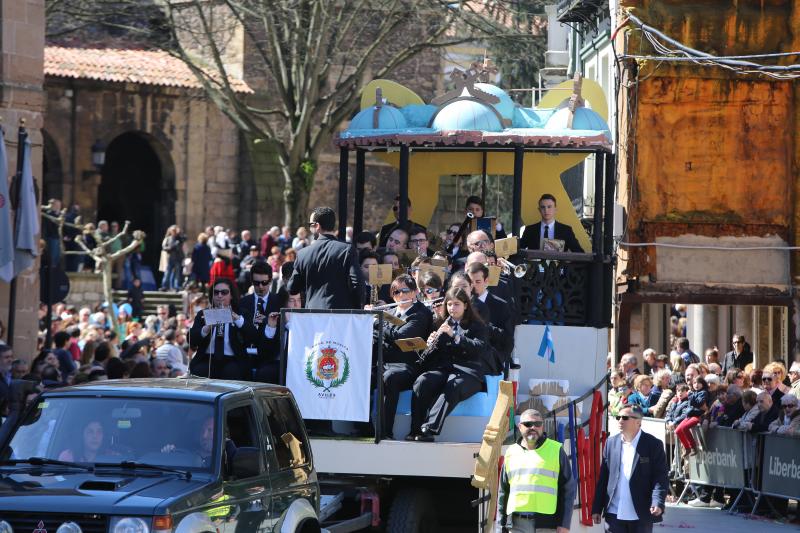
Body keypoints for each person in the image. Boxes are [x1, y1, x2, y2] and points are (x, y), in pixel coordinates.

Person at [408, 287, 490, 441]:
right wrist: (430, 344)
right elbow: (432, 358)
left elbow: (479, 349)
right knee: (422, 381)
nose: (452, 308)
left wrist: (456, 336)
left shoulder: (477, 325)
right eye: (449, 304)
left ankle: (429, 428)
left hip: (469, 372)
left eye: (457, 304)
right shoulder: (441, 323)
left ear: (466, 305)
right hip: (445, 369)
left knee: (453, 386)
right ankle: (415, 429)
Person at [370, 275, 432, 439]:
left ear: (414, 292)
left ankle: (385, 432)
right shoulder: (389, 312)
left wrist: (378, 321)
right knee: (364, 376)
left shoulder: (421, 313)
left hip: (408, 366)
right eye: (396, 292)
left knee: (390, 377)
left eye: (405, 291)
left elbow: (400, 337)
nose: (400, 295)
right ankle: (362, 428)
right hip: (384, 363)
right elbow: (378, 337)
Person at [496, 409, 575, 533]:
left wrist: (564, 524)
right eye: (528, 424)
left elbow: (568, 490)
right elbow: (503, 492)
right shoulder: (510, 453)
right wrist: (500, 525)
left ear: (542, 427)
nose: (533, 427)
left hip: (547, 525)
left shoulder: (556, 450)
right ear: (520, 427)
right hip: (516, 525)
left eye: (537, 424)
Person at [592, 405, 668, 533]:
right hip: (613, 514)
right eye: (618, 417)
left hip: (641, 514)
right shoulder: (611, 443)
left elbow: (660, 477)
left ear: (638, 422)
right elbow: (604, 478)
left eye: (625, 418)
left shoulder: (653, 444)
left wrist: (657, 502)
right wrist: (597, 508)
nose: (620, 421)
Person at [287, 207, 363, 310]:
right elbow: (357, 284)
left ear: (317, 226)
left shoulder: (303, 254)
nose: (309, 229)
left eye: (310, 225)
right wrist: (356, 309)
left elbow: (292, 288)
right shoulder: (346, 250)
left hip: (313, 314)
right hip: (341, 315)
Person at [188, 278, 250, 379]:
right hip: (207, 358)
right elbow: (191, 340)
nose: (220, 296)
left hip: (233, 359)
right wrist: (206, 329)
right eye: (216, 293)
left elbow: (252, 335)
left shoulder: (241, 313)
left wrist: (237, 320)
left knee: (231, 372)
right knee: (198, 371)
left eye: (224, 292)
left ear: (231, 295)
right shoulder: (203, 314)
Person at [239, 261, 281, 383]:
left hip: (270, 356)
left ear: (271, 281)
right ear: (252, 282)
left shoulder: (279, 302)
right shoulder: (243, 302)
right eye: (257, 283)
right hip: (247, 355)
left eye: (264, 283)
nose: (261, 287)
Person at [519, 194, 583, 253]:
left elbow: (579, 252)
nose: (546, 210)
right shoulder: (530, 230)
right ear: (539, 210)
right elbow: (519, 250)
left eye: (549, 207)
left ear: (555, 209)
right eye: (543, 207)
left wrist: (568, 264)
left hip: (559, 265)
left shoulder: (566, 230)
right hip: (534, 265)